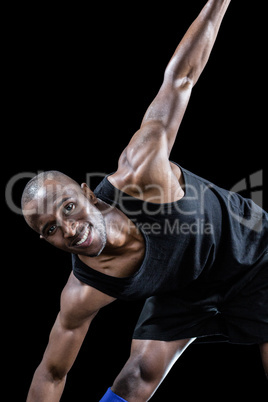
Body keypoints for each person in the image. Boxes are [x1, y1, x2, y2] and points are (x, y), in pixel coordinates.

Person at [22, 1, 267, 401]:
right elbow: (51, 373)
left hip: (255, 254)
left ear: (86, 192)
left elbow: (181, 78)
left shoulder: (140, 173)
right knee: (135, 380)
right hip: (189, 285)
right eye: (50, 229)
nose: (68, 230)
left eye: (68, 208)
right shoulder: (83, 291)